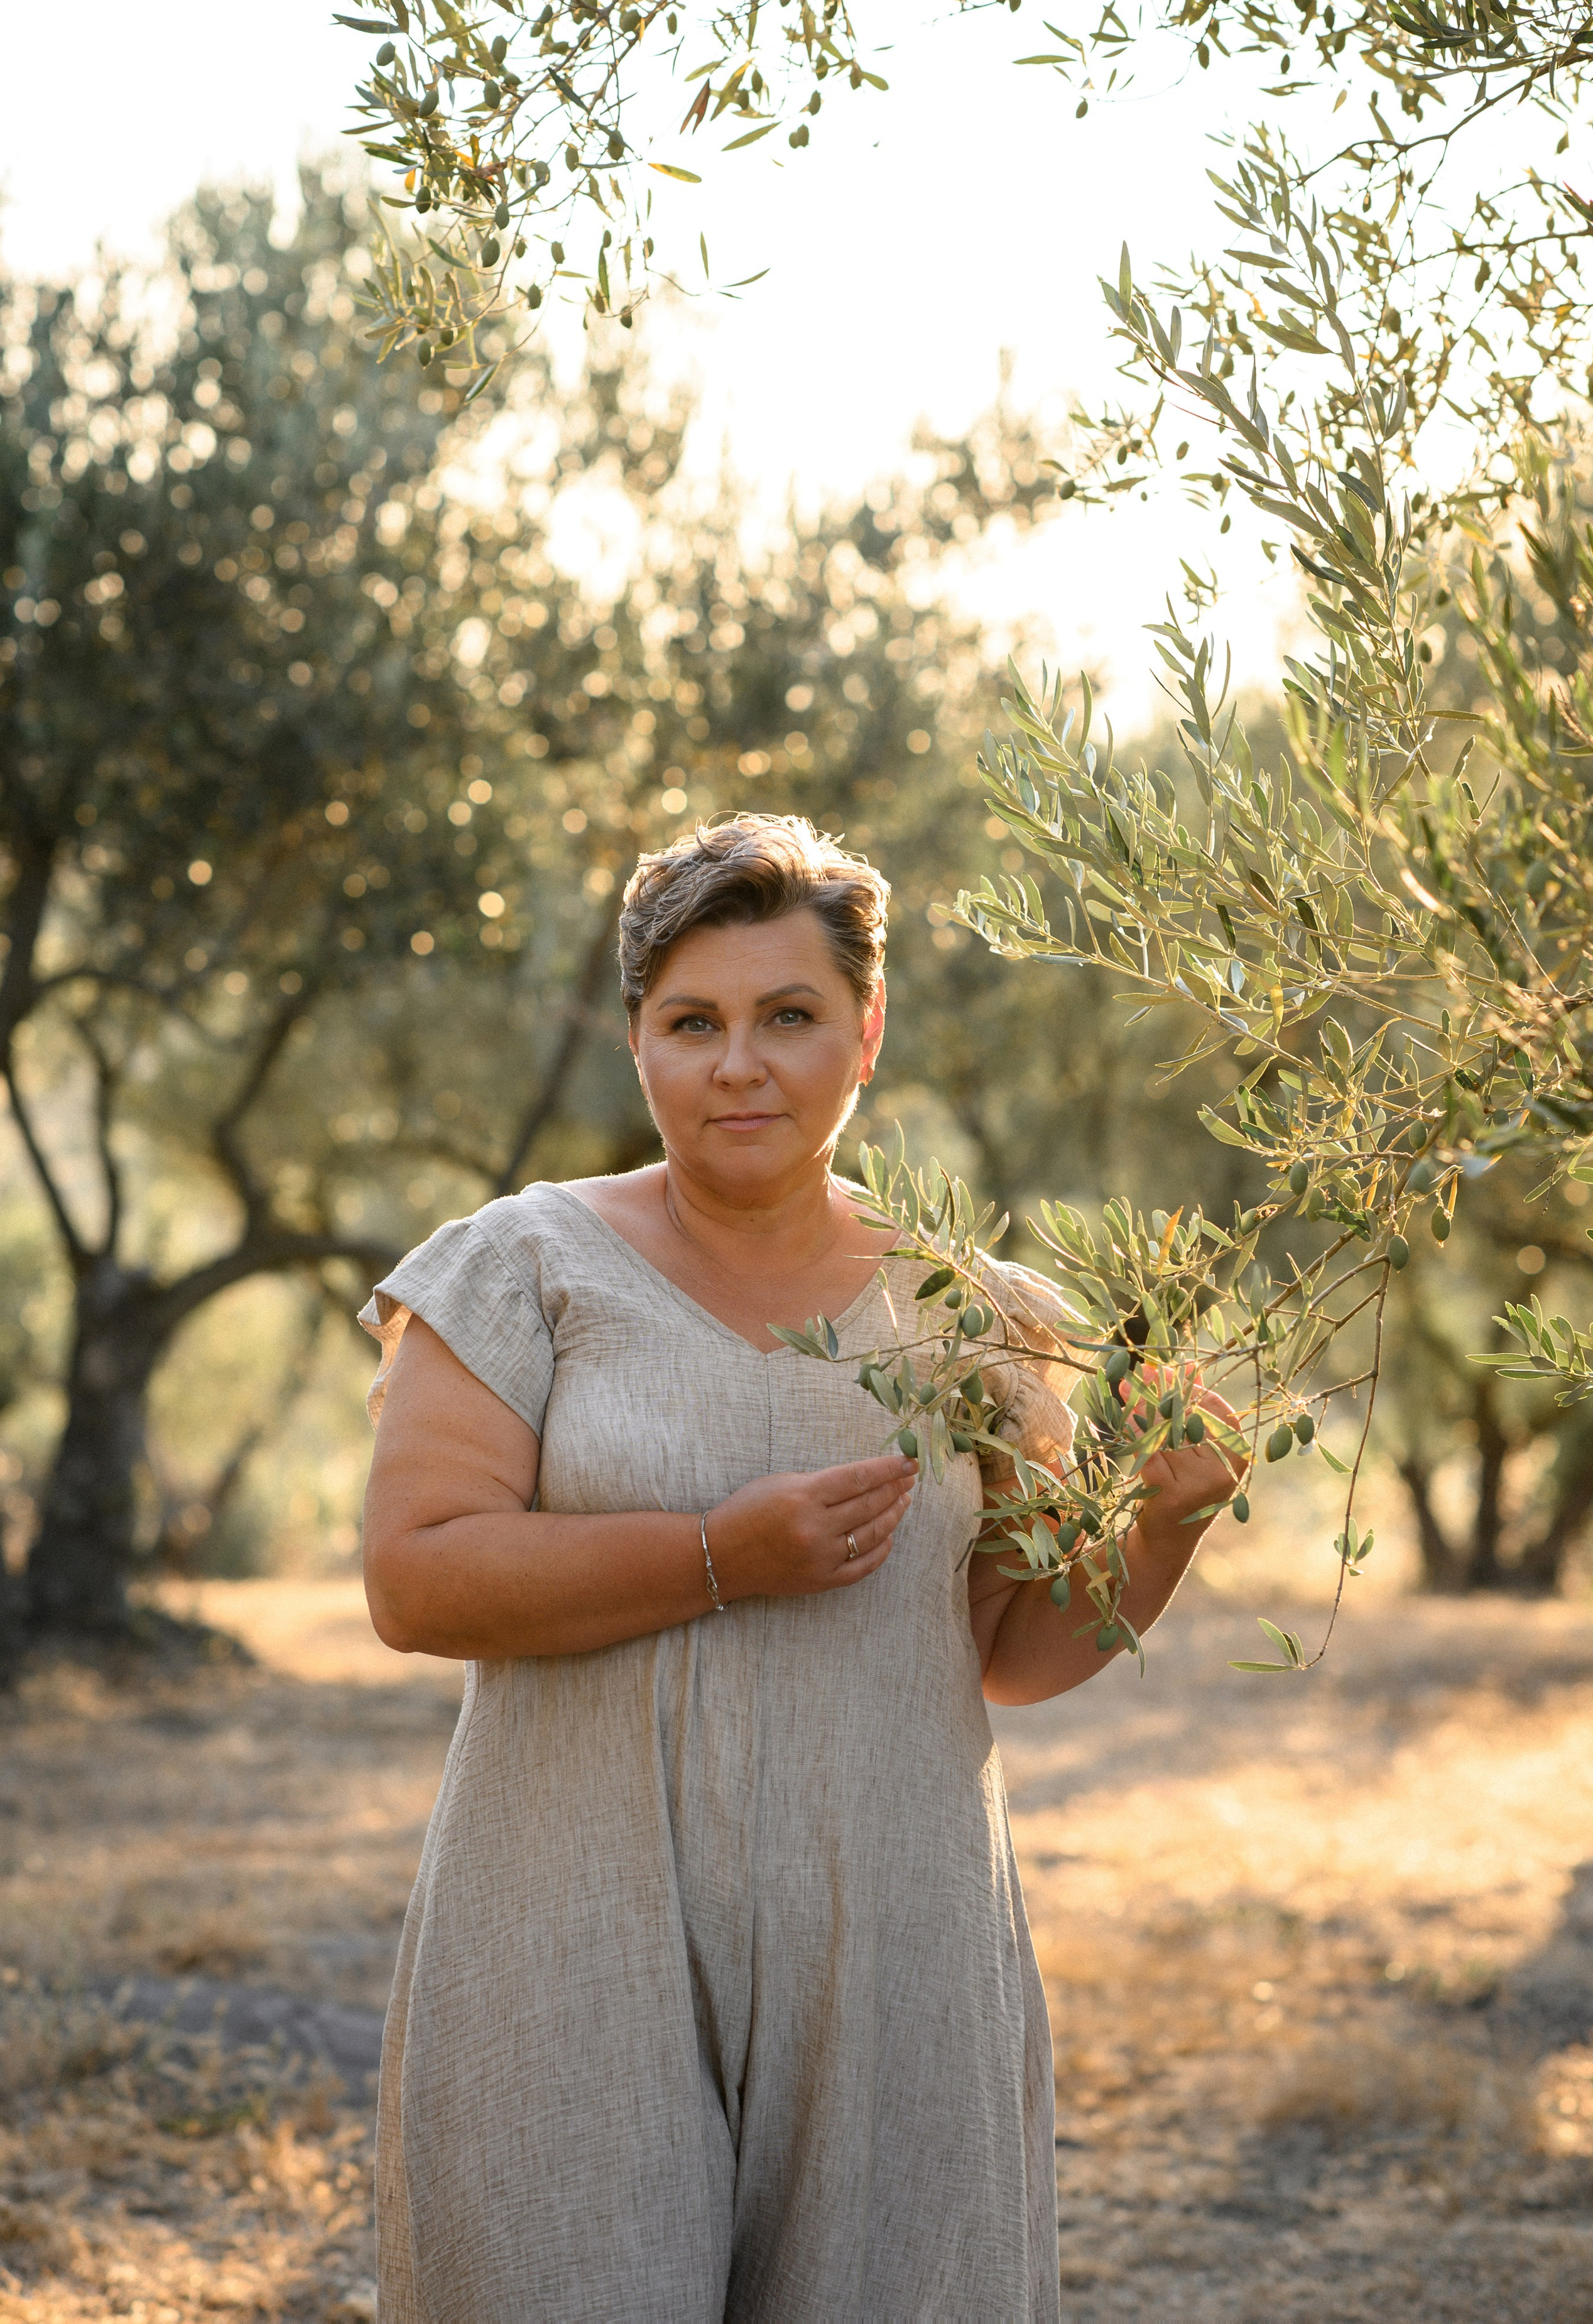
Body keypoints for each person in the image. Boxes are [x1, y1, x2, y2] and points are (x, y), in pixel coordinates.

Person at [359, 812, 1240, 2322]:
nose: (738, 1065)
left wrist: (1158, 1523)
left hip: (895, 1940)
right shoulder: (520, 1267)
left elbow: (1014, 1653)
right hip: (567, 1927)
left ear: (866, 1030)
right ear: (634, 1038)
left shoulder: (972, 1312)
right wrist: (718, 1555)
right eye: (690, 1021)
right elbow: (413, 1577)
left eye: (787, 1017)